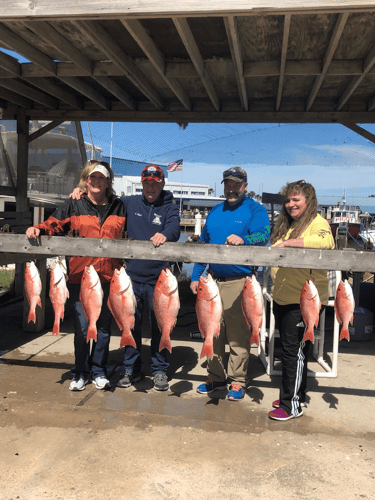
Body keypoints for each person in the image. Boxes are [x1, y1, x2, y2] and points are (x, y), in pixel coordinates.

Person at [71, 164, 180, 391]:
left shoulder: (169, 207)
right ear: (142, 183)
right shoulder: (129, 203)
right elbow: (104, 199)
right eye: (147, 182)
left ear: (162, 183)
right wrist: (80, 192)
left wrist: (166, 234)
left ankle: (160, 369)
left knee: (161, 324)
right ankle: (132, 368)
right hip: (130, 279)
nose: (151, 186)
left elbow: (175, 229)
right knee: (130, 324)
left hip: (158, 280)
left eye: (155, 182)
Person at [26, 160, 126, 392]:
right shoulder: (74, 203)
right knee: (81, 328)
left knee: (102, 329)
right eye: (93, 178)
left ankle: (99, 371)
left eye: (101, 178)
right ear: (86, 180)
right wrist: (38, 228)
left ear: (108, 182)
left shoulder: (119, 206)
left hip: (109, 279)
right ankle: (80, 372)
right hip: (81, 279)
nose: (97, 182)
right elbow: (55, 222)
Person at [190, 167, 270, 401]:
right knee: (213, 331)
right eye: (228, 184)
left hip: (240, 283)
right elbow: (205, 245)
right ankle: (215, 376)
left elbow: (263, 235)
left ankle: (237, 380)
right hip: (213, 281)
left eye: (236, 184)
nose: (231, 189)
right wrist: (196, 275)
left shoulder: (255, 210)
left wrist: (244, 239)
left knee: (238, 334)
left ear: (245, 186)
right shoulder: (215, 211)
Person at [268, 180, 335, 421]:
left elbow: (326, 242)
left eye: (296, 200)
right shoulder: (287, 225)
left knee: (292, 352)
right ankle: (293, 393)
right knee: (292, 352)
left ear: (309, 201)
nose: (290, 204)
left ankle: (291, 406)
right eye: (288, 200)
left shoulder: (318, 223)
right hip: (283, 297)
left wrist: (289, 243)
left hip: (304, 300)